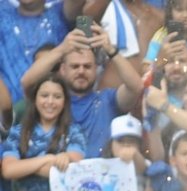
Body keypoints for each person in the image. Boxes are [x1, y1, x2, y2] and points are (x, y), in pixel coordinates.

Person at [22, 28, 144, 158]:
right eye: (75, 66)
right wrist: (62, 48)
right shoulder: (52, 102)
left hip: (104, 175)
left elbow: (136, 87)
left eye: (87, 66)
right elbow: (27, 82)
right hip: (61, 173)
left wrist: (111, 50)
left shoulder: (108, 100)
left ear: (96, 69)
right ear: (63, 69)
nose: (81, 71)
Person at [1, 74, 84, 191]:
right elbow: (8, 170)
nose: (50, 102)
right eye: (44, 95)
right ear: (35, 99)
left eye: (57, 96)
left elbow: (75, 168)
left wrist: (25, 167)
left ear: (65, 101)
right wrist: (49, 158)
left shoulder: (74, 131)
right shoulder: (18, 132)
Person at [0, 0, 80, 103]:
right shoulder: (3, 12)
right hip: (7, 111)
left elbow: (82, 12)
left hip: (52, 106)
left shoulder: (60, 13)